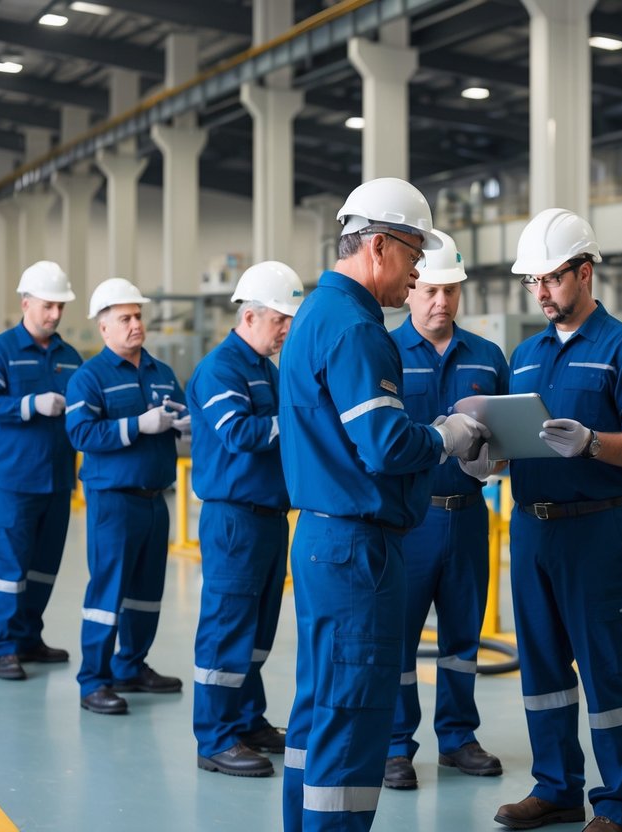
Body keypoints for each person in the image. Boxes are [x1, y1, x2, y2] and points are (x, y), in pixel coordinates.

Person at [278, 177, 489, 832]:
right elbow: (385, 444)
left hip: (323, 538)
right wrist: (449, 435)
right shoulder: (356, 330)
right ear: (375, 246)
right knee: (352, 719)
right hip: (356, 549)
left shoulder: (317, 313)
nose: (417, 271)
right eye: (411, 253)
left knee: (318, 713)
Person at [493, 208, 622, 832]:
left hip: (595, 527)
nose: (540, 292)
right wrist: (492, 453)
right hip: (531, 526)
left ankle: (619, 803)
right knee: (541, 665)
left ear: (584, 272)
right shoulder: (525, 353)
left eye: (550, 278)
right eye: (531, 281)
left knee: (605, 664)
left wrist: (594, 442)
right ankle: (556, 786)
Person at [384, 229, 509, 789]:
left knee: (461, 636)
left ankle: (458, 737)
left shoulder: (487, 357)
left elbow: (507, 434)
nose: (441, 302)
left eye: (452, 291)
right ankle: (394, 745)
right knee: (401, 638)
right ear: (411, 288)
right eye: (431, 290)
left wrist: (498, 461)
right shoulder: (383, 350)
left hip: (467, 513)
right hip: (408, 520)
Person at [187, 261, 305, 777]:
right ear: (252, 315)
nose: (285, 330)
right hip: (234, 518)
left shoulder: (266, 369)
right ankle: (214, 738)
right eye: (280, 320)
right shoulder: (220, 368)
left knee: (258, 630)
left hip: (269, 517)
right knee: (226, 627)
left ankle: (248, 720)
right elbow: (239, 432)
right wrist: (298, 421)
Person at [65, 277, 190, 716]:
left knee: (146, 592)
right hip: (113, 502)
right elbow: (80, 432)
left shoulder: (161, 373)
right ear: (104, 328)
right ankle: (93, 680)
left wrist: (183, 426)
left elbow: (179, 414)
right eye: (125, 318)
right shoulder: (89, 378)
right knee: (109, 590)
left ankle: (131, 666)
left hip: (156, 499)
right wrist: (137, 425)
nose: (135, 324)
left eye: (138, 316)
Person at [0, 261, 82, 681]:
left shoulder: (70, 358)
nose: (54, 315)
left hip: (56, 479)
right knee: (10, 567)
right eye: (48, 306)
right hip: (13, 481)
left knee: (43, 566)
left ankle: (28, 638)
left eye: (60, 307)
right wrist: (29, 405)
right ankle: (4, 648)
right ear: (26, 303)